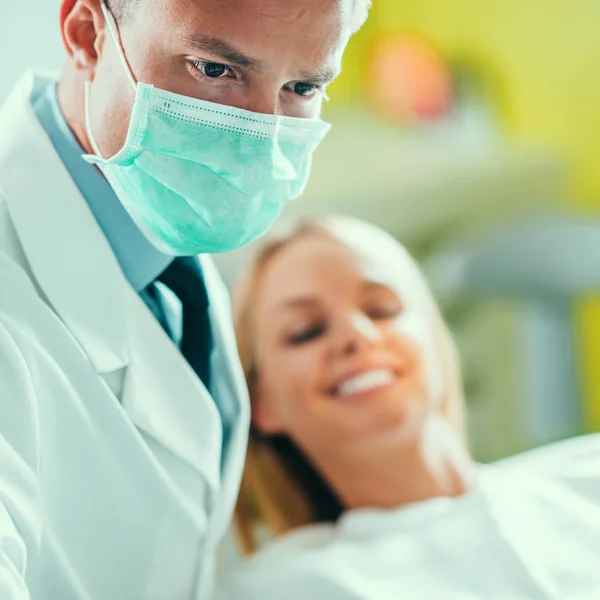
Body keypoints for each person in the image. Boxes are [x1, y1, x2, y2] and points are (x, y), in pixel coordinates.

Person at [0, 0, 371, 597]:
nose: (258, 139)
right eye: (215, 71)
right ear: (87, 34)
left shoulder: (160, 224)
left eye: (301, 86)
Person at [215, 216, 600, 600]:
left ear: (436, 339)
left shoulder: (586, 475)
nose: (357, 334)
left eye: (382, 309)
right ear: (261, 402)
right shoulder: (289, 586)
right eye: (306, 331)